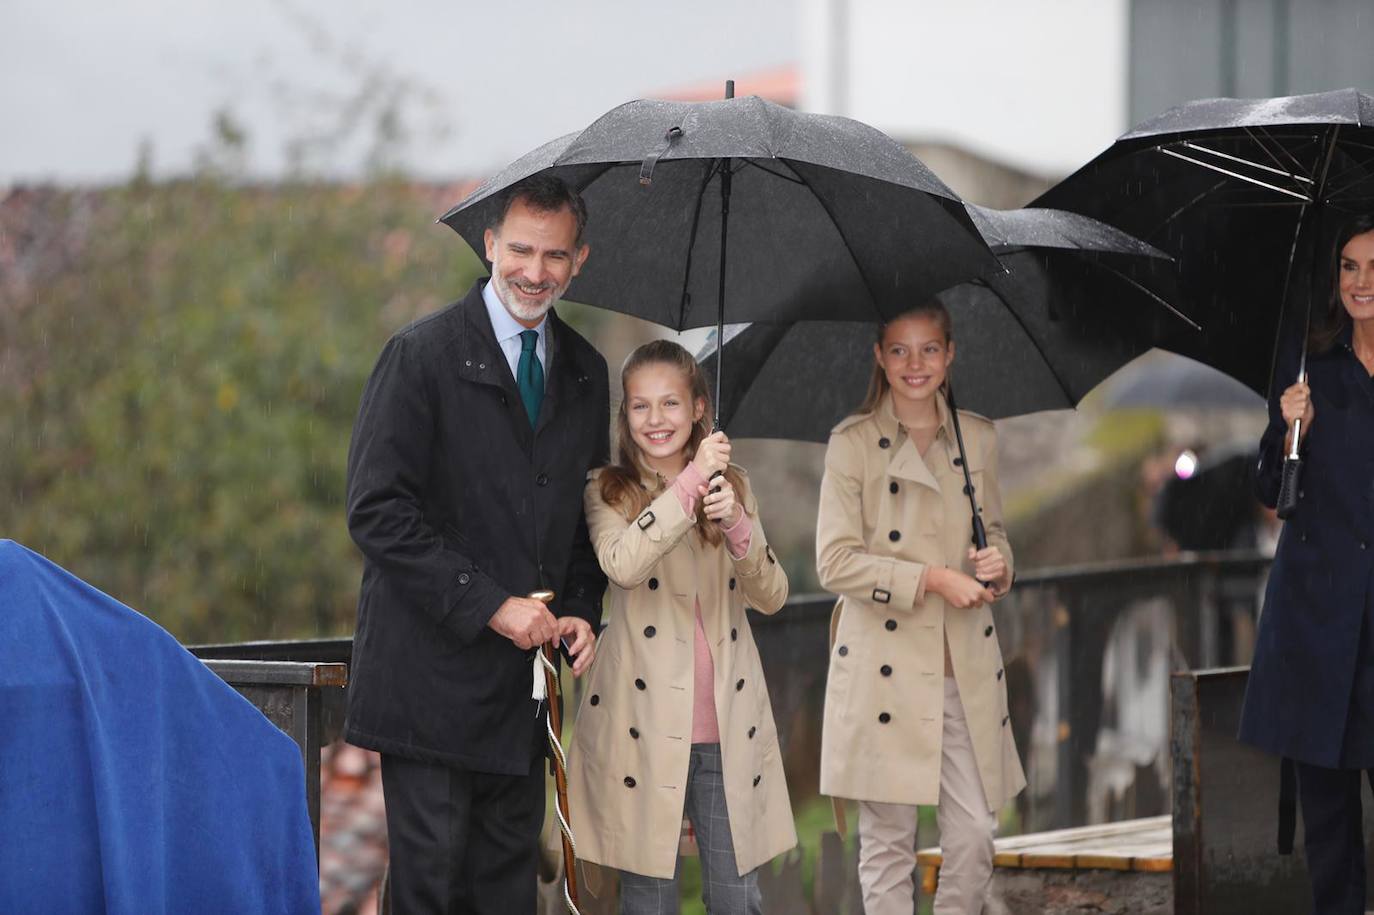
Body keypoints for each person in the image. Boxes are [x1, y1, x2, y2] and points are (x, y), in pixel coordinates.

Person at [344, 173, 609, 913]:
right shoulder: (419, 355)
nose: (535, 271)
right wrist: (492, 604)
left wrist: (585, 606)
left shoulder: (588, 371)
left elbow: (584, 521)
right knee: (429, 896)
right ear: (489, 244)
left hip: (522, 700)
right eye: (520, 249)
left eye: (555, 255)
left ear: (579, 258)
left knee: (504, 897)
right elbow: (375, 512)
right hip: (426, 687)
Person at [566, 340, 796, 914]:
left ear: (698, 408)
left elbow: (771, 597)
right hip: (640, 724)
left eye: (670, 403)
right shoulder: (606, 489)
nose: (655, 420)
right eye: (640, 406)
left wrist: (738, 526)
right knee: (649, 899)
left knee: (736, 896)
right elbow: (623, 565)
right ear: (625, 415)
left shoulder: (732, 485)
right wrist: (690, 481)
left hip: (726, 721)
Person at [816, 302, 1024, 915]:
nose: (915, 364)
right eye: (900, 350)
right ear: (879, 357)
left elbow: (998, 536)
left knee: (974, 836)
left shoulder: (978, 436)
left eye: (929, 349)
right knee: (887, 847)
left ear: (950, 353)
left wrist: (998, 566)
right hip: (884, 665)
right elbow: (835, 562)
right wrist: (932, 578)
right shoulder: (851, 444)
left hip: (961, 666)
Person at [1239, 213, 1374, 915]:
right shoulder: (1307, 368)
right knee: (1330, 836)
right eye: (1349, 267)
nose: (1361, 282)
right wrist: (1292, 429)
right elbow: (1269, 488)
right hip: (1317, 630)